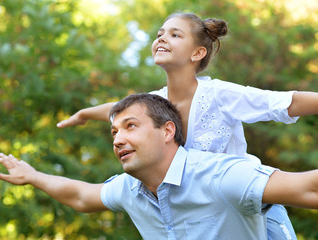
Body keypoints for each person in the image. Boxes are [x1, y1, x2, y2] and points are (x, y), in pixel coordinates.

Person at [56, 12, 318, 240]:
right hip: (202, 216)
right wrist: (84, 114)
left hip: (251, 209)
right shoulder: (156, 102)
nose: (161, 38)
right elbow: (117, 109)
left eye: (175, 35)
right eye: (160, 34)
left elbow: (285, 102)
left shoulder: (219, 95)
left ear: (197, 52)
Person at [0, 93, 318, 240]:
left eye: (130, 126)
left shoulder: (218, 175)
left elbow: (307, 187)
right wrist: (34, 176)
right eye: (114, 131)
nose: (118, 139)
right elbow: (80, 196)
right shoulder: (129, 190)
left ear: (167, 131)